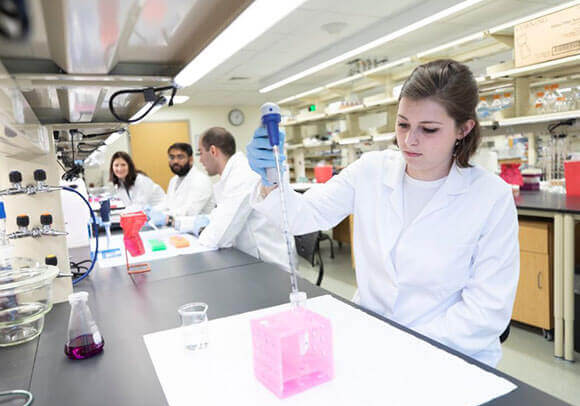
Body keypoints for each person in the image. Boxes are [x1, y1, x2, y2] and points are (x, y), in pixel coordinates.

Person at [246, 59, 519, 367]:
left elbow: (486, 312)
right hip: (371, 341)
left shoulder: (491, 197)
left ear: (464, 128)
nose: (409, 139)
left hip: (449, 358)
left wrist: (401, 346)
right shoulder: (371, 170)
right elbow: (303, 216)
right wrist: (272, 178)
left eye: (428, 129)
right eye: (403, 124)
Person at [189, 127, 292, 270]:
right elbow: (221, 216)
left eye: (200, 153)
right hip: (249, 260)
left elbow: (218, 238)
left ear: (213, 151)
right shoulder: (233, 174)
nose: (200, 160)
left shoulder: (242, 174)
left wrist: (202, 231)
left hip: (269, 268)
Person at [151, 142, 214, 226]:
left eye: (180, 157)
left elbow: (190, 211)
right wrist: (151, 211)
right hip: (177, 227)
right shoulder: (173, 180)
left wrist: (164, 216)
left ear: (190, 160)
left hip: (197, 229)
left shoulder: (201, 180)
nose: (175, 161)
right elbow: (168, 203)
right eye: (172, 157)